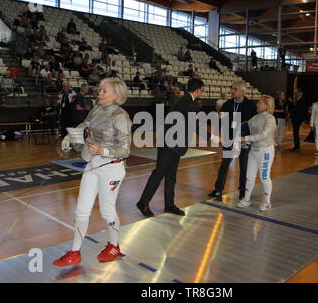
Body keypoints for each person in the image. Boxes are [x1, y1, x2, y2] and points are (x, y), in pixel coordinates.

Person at [53, 77, 132, 267]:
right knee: (82, 209)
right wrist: (69, 137)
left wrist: (103, 150)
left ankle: (114, 245)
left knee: (107, 210)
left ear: (116, 95)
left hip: (112, 167)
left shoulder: (121, 116)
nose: (99, 93)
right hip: (92, 164)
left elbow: (125, 149)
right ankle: (75, 251)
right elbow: (85, 125)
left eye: (104, 91)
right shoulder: (97, 109)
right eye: (100, 90)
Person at [136, 78, 210, 217]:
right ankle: (143, 202)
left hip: (174, 144)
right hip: (169, 144)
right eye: (202, 89)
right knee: (159, 173)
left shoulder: (184, 100)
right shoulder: (188, 103)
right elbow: (195, 126)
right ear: (198, 89)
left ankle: (169, 204)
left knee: (171, 176)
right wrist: (211, 137)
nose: (202, 91)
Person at [208, 80, 258, 201]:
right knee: (224, 165)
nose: (232, 91)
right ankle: (218, 189)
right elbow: (222, 123)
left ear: (242, 90)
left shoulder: (251, 105)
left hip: (244, 140)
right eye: (232, 88)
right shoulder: (227, 105)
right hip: (229, 140)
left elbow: (255, 125)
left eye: (235, 89)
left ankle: (242, 190)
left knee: (243, 166)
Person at [237, 95, 276, 211]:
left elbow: (264, 135)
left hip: (265, 151)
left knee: (264, 177)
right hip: (254, 151)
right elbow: (246, 126)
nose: (257, 104)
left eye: (259, 102)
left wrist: (245, 138)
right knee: (249, 176)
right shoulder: (256, 117)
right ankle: (246, 199)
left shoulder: (270, 119)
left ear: (266, 105)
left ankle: (267, 202)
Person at [288, 88, 307, 153]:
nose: (295, 94)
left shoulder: (301, 100)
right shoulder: (299, 100)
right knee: (295, 133)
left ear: (299, 93)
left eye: (296, 93)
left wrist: (291, 103)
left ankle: (297, 148)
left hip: (297, 119)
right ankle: (296, 147)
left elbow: (297, 110)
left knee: (296, 133)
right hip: (296, 119)